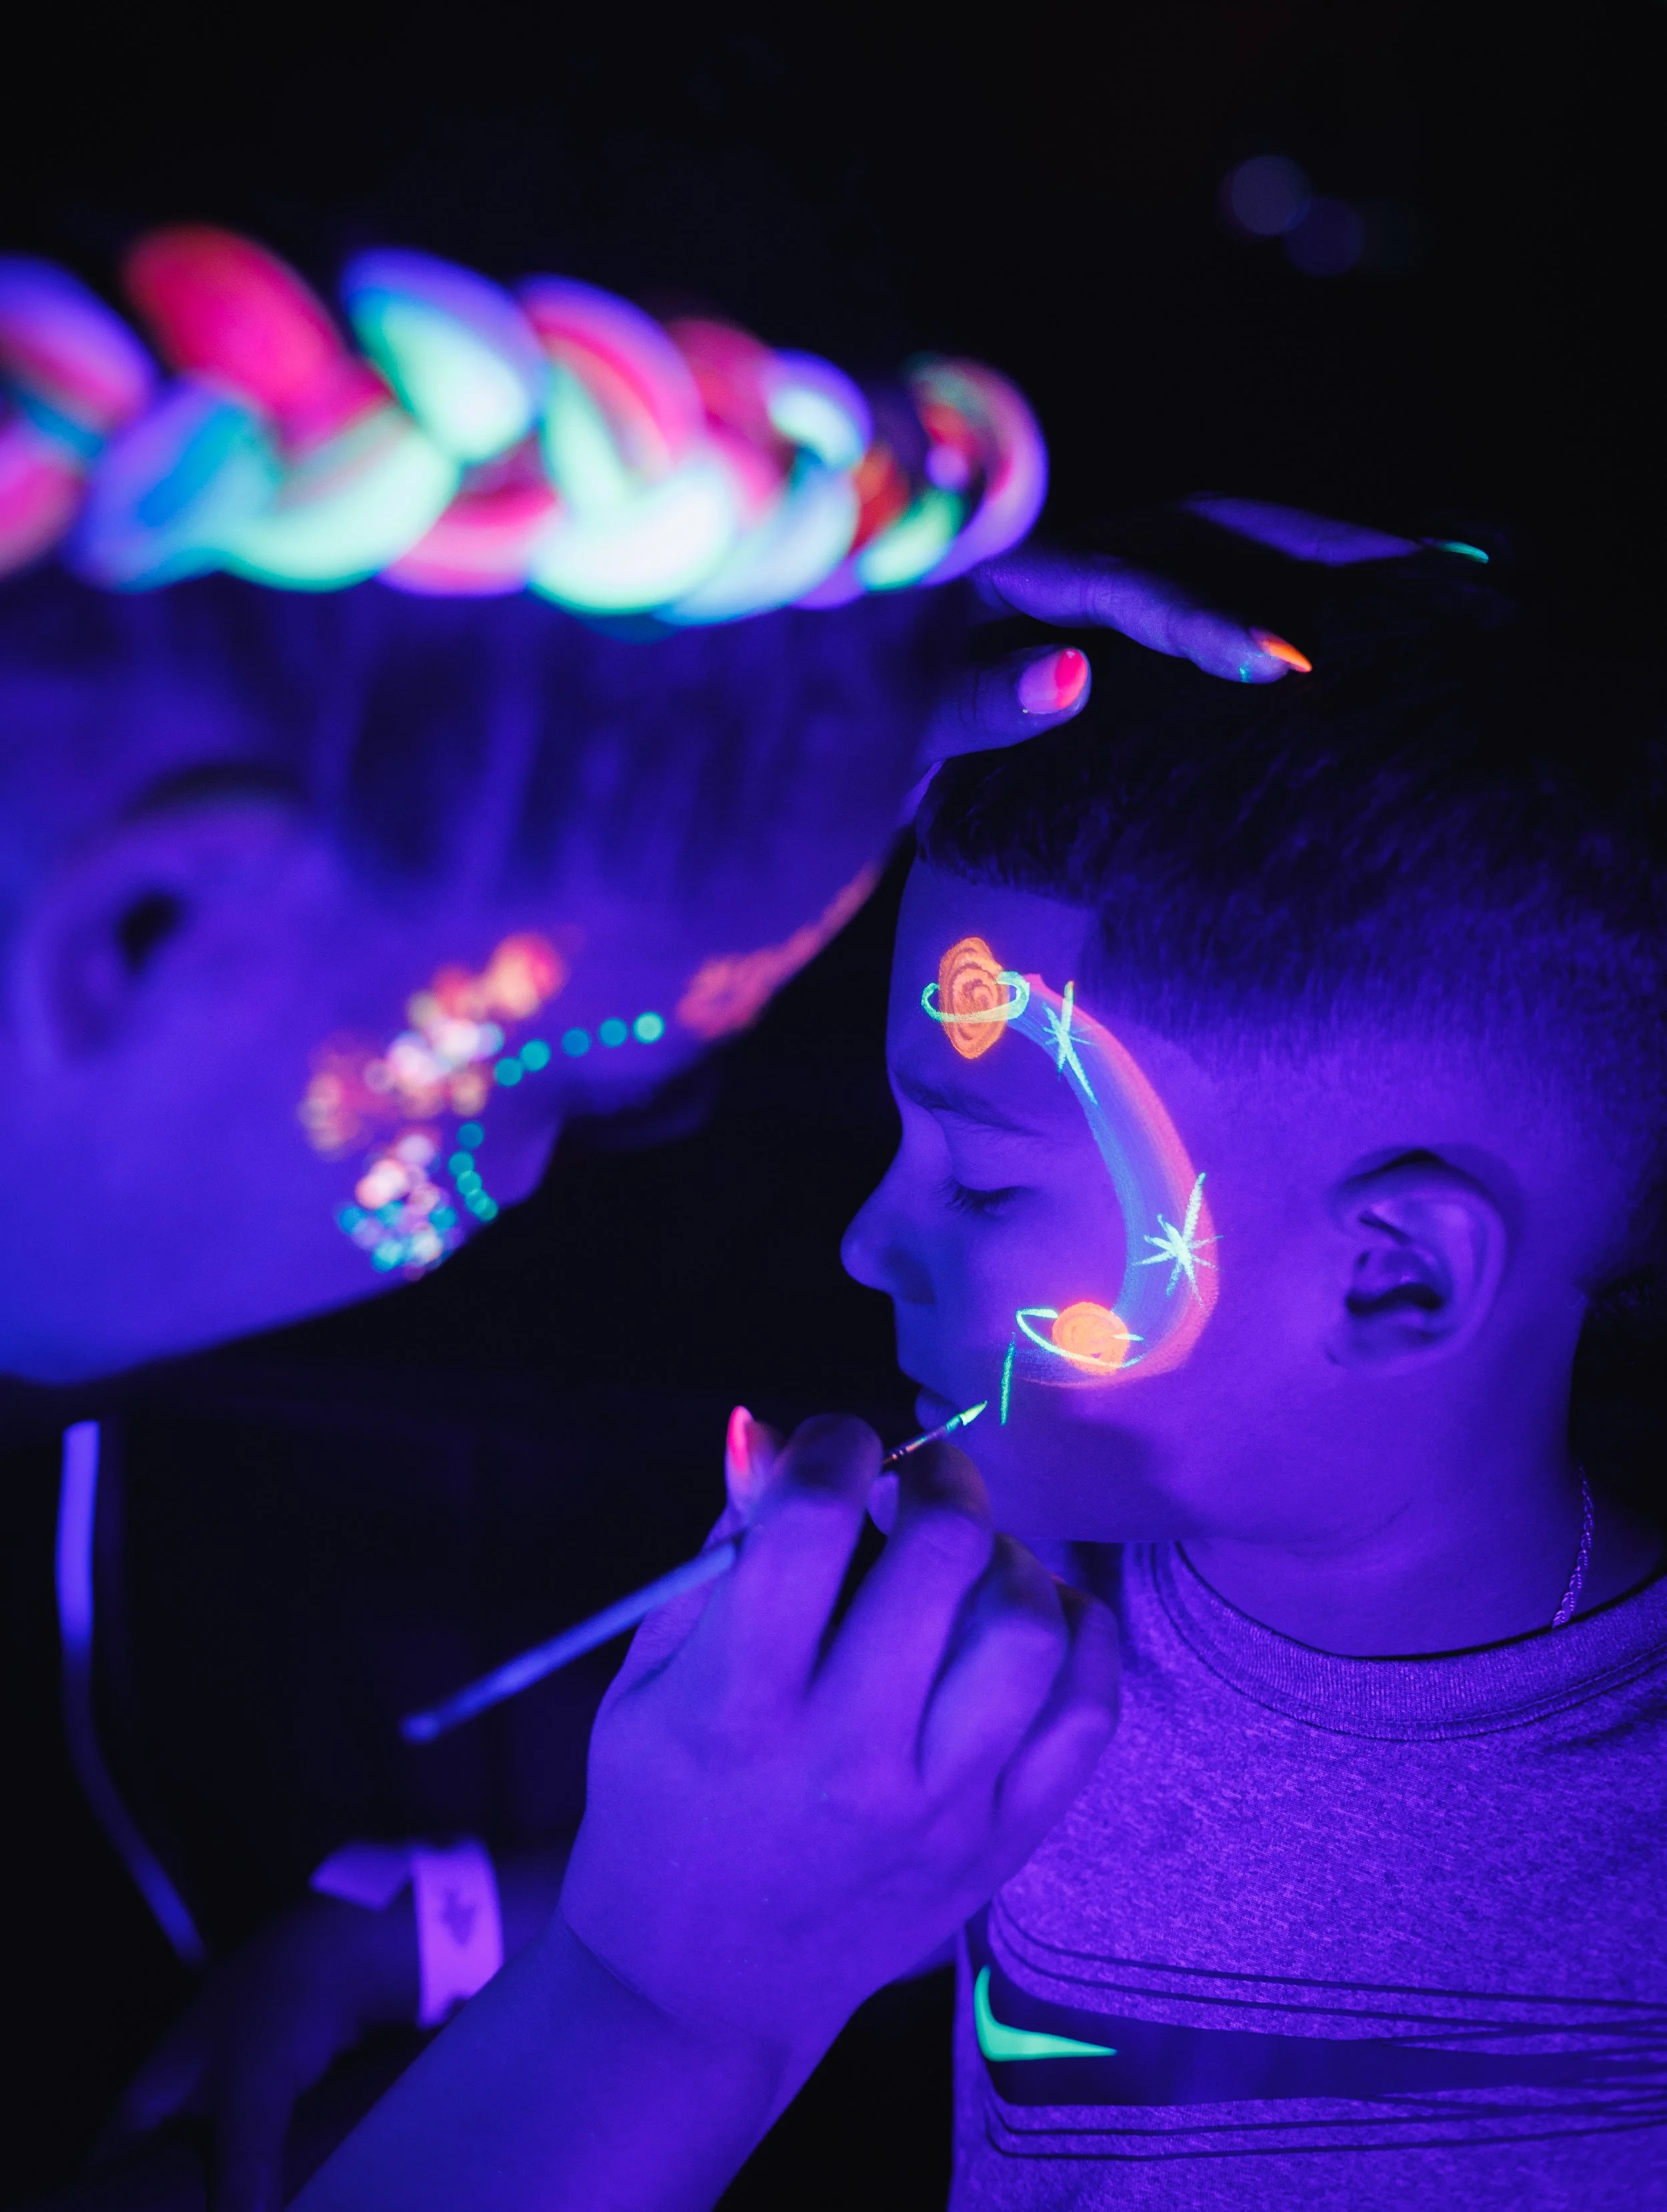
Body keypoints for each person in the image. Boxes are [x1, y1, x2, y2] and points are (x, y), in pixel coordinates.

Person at [295, 545, 1667, 2207]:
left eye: (986, 1174)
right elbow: (880, 1875)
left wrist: (649, 2003)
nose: (869, 1243)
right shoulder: (1036, 1629)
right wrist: (417, 1926)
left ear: (1393, 1275)